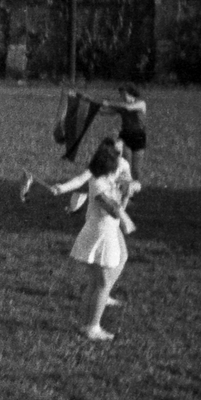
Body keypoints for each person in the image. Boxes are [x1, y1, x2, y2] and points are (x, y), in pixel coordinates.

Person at [50, 140, 137, 341]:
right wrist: (126, 199)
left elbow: (118, 202)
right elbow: (114, 210)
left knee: (98, 282)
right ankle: (92, 327)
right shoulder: (98, 184)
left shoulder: (105, 181)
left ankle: (87, 324)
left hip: (103, 233)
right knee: (103, 283)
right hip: (102, 235)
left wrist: (127, 189)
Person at [100, 85, 148, 179]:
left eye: (124, 94)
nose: (122, 97)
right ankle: (125, 185)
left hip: (139, 137)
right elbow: (105, 112)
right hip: (125, 136)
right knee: (126, 164)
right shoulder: (121, 106)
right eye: (121, 94)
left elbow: (128, 108)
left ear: (131, 94)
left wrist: (109, 103)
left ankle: (136, 185)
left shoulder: (141, 103)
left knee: (136, 169)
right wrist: (95, 107)